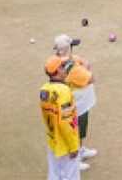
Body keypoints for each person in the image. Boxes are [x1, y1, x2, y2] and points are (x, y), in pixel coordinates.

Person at [49, 35, 98, 170]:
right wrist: (86, 68)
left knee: (80, 130)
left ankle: (80, 150)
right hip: (78, 105)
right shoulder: (71, 67)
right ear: (68, 48)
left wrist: (84, 66)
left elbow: (84, 62)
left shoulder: (64, 61)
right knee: (76, 131)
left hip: (80, 103)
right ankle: (75, 160)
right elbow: (92, 78)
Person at [40, 60, 81, 180]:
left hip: (53, 140)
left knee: (54, 174)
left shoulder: (44, 90)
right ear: (57, 71)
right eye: (62, 67)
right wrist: (73, 146)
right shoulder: (64, 91)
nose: (65, 69)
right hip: (65, 143)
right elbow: (65, 122)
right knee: (71, 176)